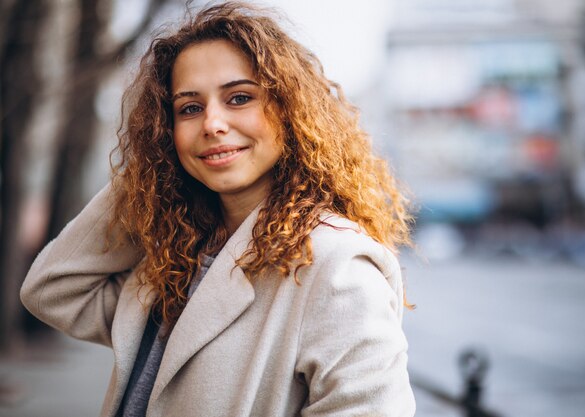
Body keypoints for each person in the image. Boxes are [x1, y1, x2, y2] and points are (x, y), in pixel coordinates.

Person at [20, 2, 416, 416]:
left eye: (239, 98)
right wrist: (152, 170)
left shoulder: (337, 266)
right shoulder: (177, 262)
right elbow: (53, 288)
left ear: (292, 112)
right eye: (189, 108)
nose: (212, 123)